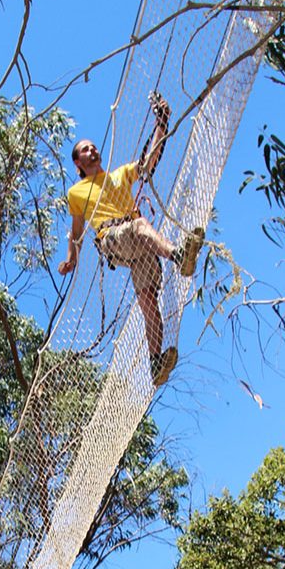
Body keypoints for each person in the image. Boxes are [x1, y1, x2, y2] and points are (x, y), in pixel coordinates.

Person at [58, 92, 203, 387]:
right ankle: (178, 256)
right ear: (78, 161)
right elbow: (76, 231)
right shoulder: (76, 193)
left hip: (140, 244)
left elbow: (150, 161)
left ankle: (155, 362)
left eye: (94, 146)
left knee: (149, 301)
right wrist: (71, 260)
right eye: (86, 149)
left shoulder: (119, 174)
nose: (93, 150)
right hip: (114, 239)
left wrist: (162, 123)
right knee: (138, 226)